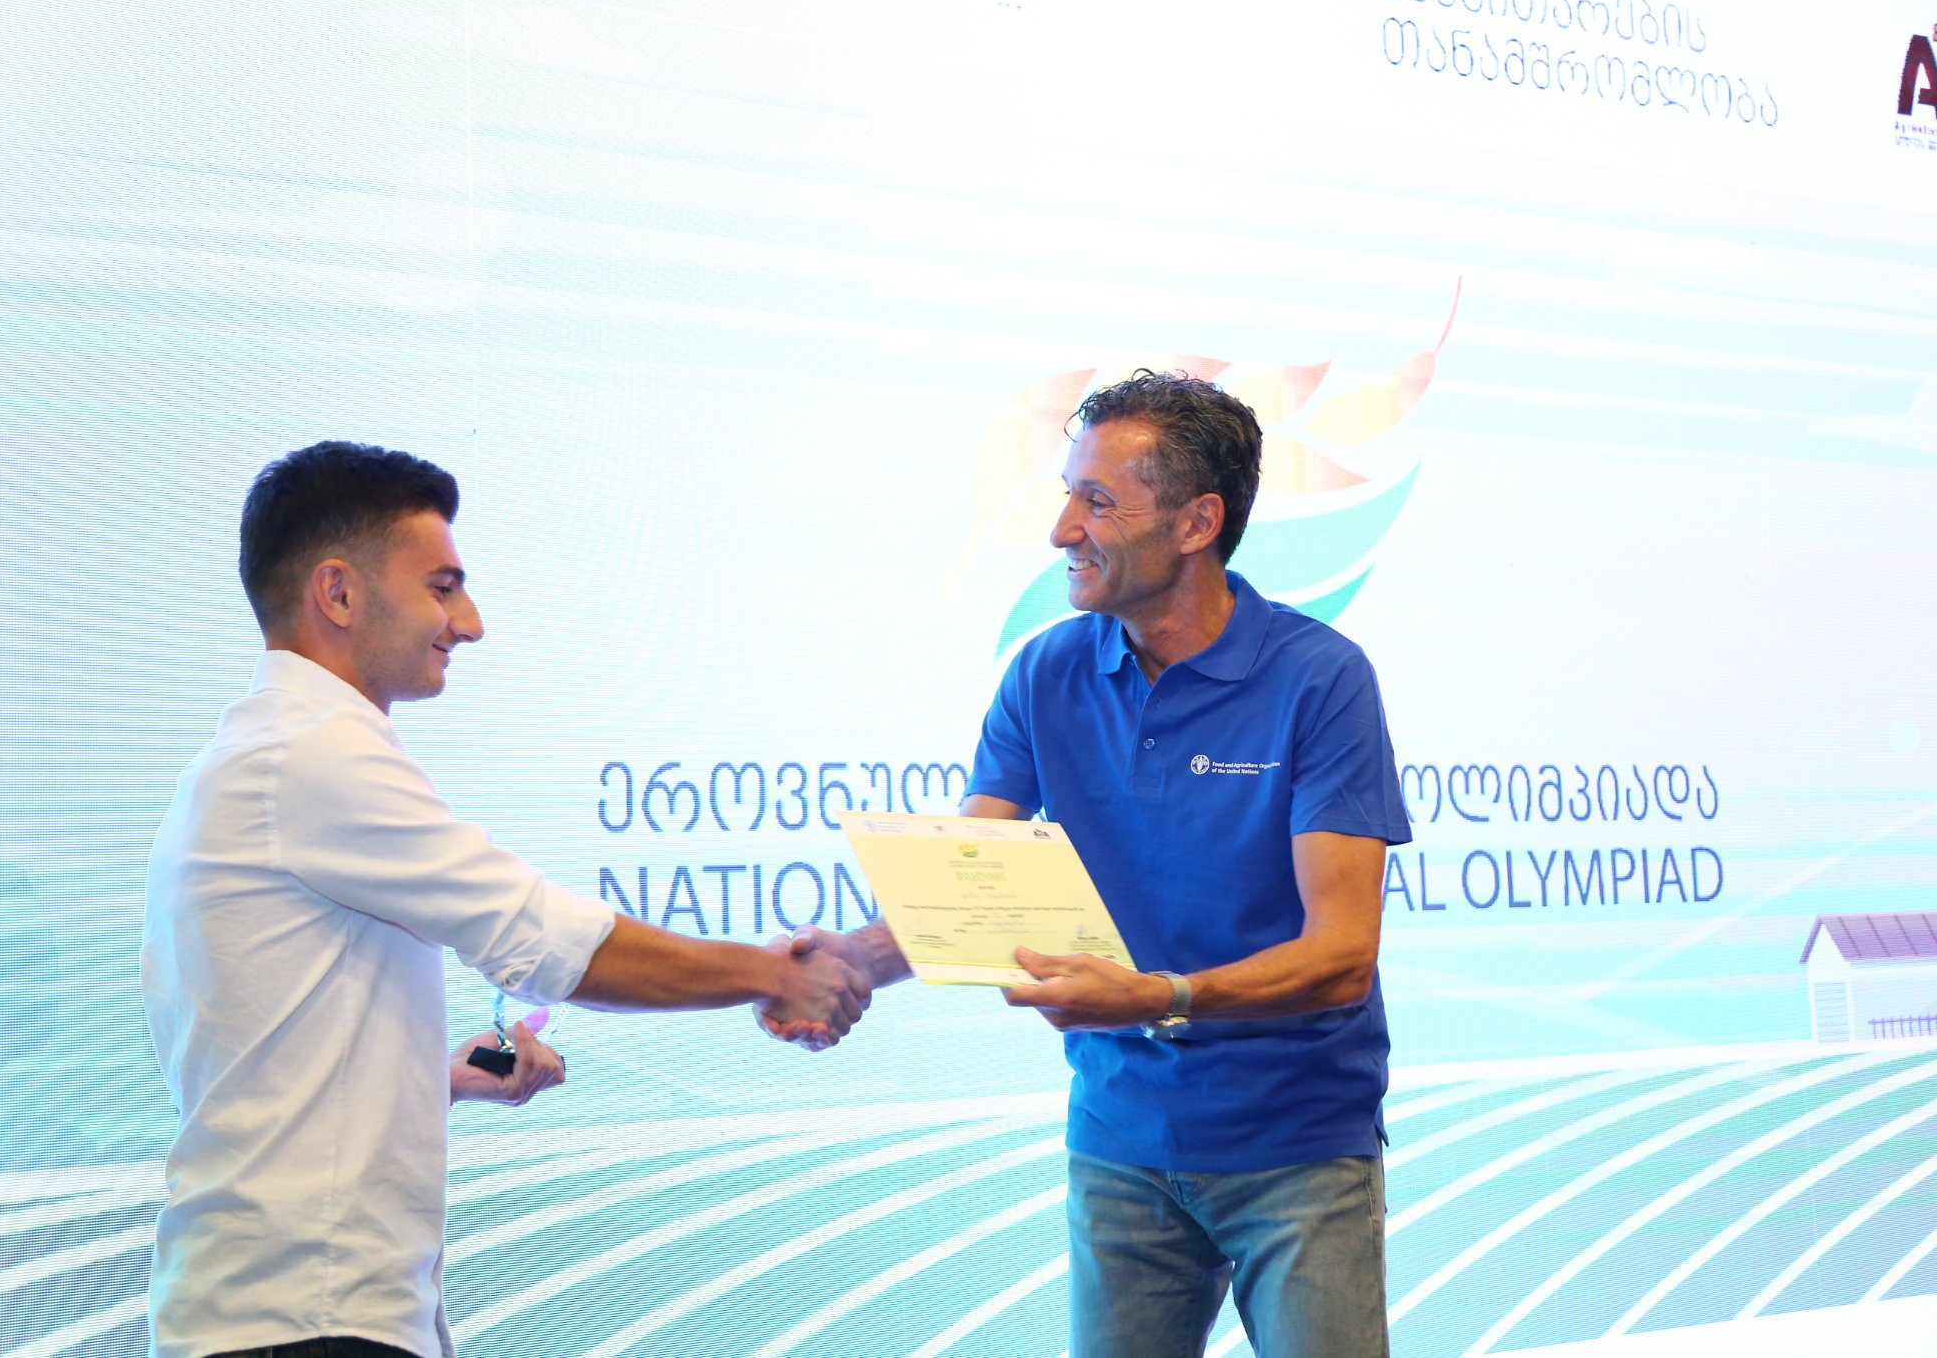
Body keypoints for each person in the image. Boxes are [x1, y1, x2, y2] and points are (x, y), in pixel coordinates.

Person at [142, 441, 868, 1358]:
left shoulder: (255, 756)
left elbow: (267, 1061)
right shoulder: (311, 754)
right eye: (443, 587)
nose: (471, 622)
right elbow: (545, 939)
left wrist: (438, 1077)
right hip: (304, 1326)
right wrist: (773, 975)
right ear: (338, 593)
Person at [773, 370, 1411, 1357]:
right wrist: (850, 962)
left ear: (1197, 522)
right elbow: (969, 891)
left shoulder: (1318, 679)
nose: (1061, 529)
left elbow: (1340, 956)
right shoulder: (1046, 672)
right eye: (1068, 494)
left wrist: (1157, 995)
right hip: (1119, 1142)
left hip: (1296, 1147)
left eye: (1098, 501)